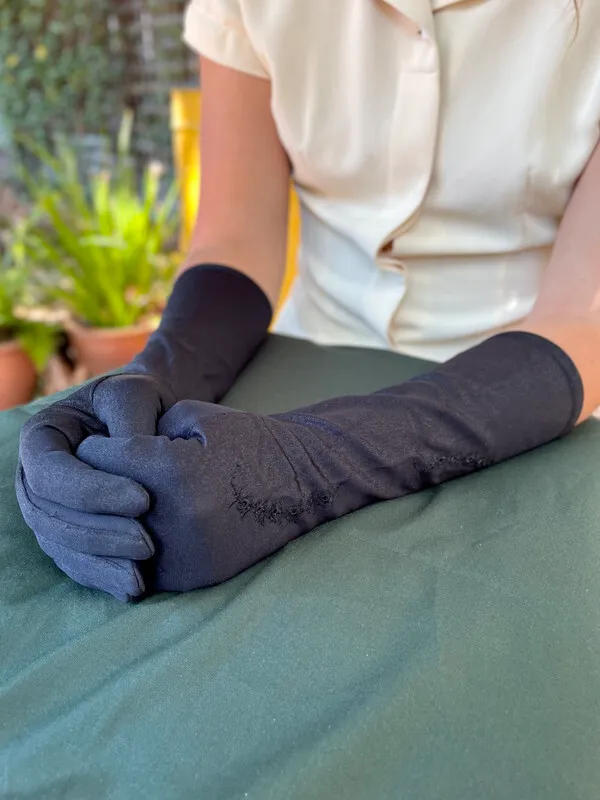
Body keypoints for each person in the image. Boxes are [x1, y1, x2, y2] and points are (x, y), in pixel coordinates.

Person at [16, 0, 600, 601]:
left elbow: (582, 316)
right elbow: (236, 238)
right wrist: (153, 376)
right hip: (296, 362)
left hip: (529, 391)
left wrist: (305, 466)